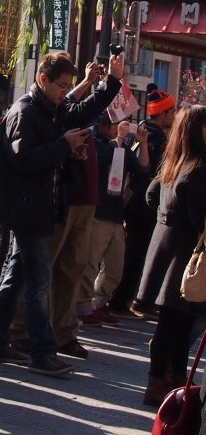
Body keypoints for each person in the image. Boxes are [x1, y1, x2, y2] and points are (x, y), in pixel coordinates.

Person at [0, 50, 122, 379]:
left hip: (41, 206)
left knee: (17, 277)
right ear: (42, 79)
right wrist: (63, 145)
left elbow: (82, 110)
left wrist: (111, 82)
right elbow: (23, 158)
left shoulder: (52, 109)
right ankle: (43, 351)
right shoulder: (25, 112)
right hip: (27, 208)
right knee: (37, 281)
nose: (65, 91)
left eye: (68, 85)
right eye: (61, 85)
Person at [136, 105, 206, 407]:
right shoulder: (199, 167)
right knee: (175, 324)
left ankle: (169, 380)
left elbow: (151, 196)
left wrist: (167, 220)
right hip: (183, 254)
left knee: (174, 323)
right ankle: (165, 381)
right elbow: (199, 218)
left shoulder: (173, 163)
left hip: (164, 249)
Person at [110, 86, 176, 319]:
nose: (174, 116)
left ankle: (124, 297)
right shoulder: (155, 138)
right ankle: (123, 298)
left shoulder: (141, 133)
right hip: (144, 204)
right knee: (137, 253)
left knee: (134, 252)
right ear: (162, 114)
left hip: (134, 201)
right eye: (171, 112)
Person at [77, 114, 148, 326]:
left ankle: (100, 303)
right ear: (106, 124)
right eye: (118, 123)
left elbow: (143, 169)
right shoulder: (95, 140)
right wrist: (118, 140)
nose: (121, 126)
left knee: (115, 266)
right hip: (98, 212)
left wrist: (142, 143)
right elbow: (100, 160)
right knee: (91, 262)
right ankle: (82, 305)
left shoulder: (124, 146)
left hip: (117, 212)